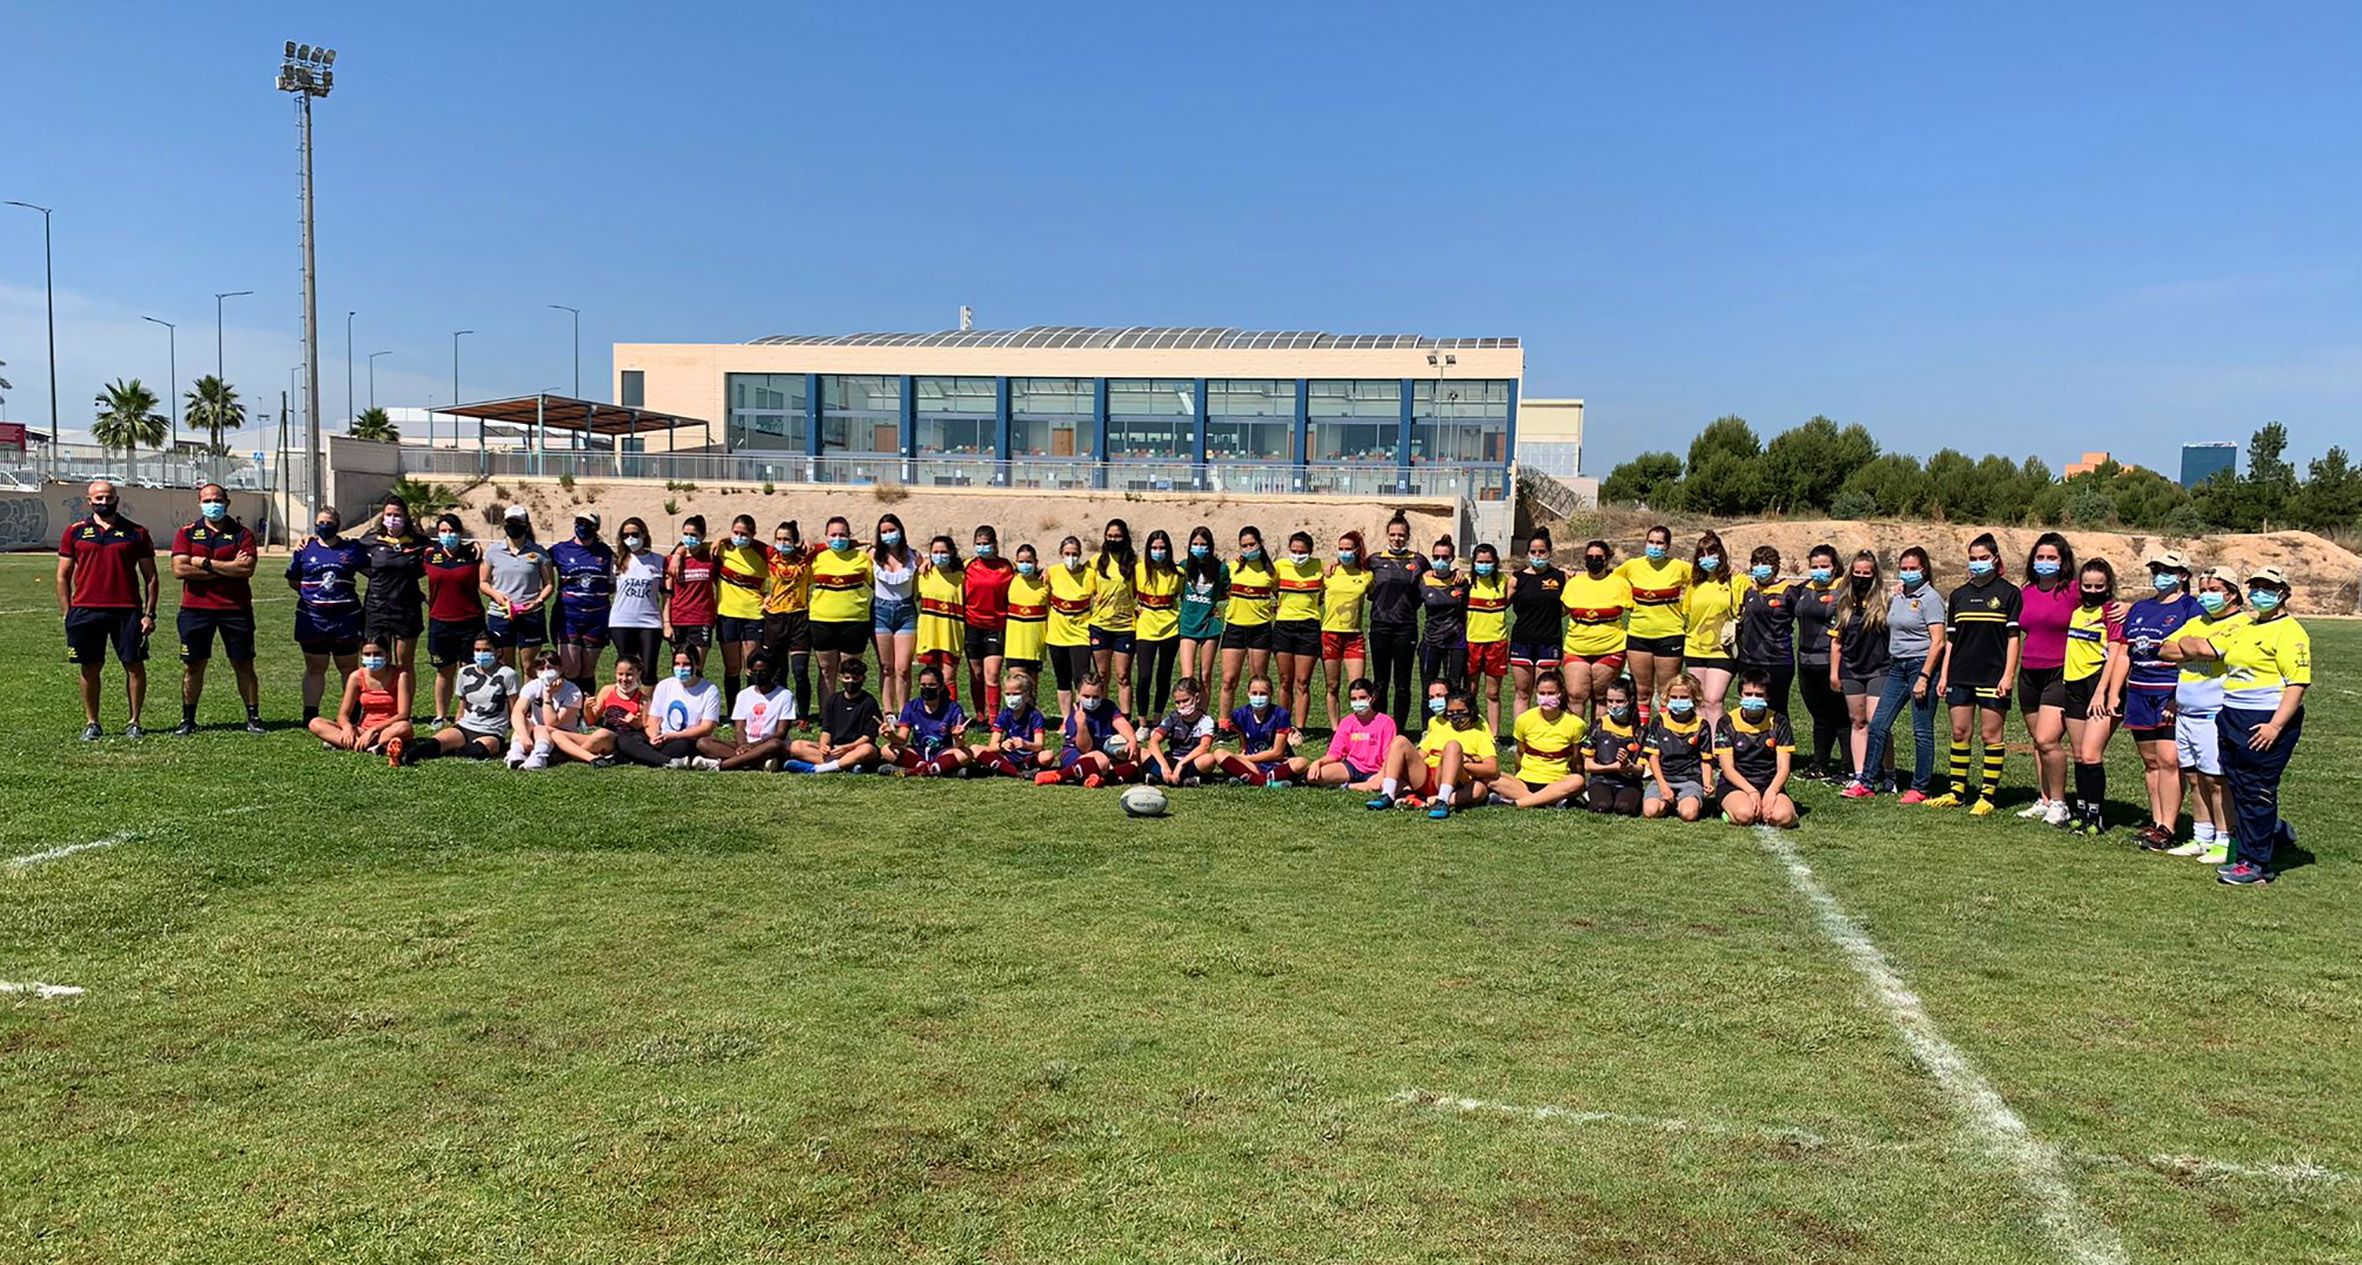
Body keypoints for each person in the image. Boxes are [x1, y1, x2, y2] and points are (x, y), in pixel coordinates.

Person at [2172, 566, 2308, 885]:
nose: (2260, 593)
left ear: (2283, 592)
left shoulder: (2290, 632)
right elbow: (2210, 650)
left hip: (2264, 719)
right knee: (2240, 787)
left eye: (2268, 588)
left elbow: (2297, 685)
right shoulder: (2246, 626)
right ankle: (2263, 840)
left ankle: (2257, 865)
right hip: (2231, 715)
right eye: (2256, 587)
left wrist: (2275, 726)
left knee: (2257, 789)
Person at [1926, 533, 2023, 815]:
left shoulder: (2009, 593)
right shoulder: (1958, 596)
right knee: (1959, 732)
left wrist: (2008, 676)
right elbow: (1952, 640)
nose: (1977, 563)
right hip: (1960, 675)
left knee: (1990, 735)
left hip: (1993, 676)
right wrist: (1944, 675)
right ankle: (1957, 791)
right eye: (1973, 558)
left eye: (1983, 558)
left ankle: (1987, 796)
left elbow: (2013, 638)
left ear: (1995, 559)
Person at [58, 479, 160, 739]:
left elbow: (151, 577)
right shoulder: (75, 531)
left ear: (117, 499)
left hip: (127, 611)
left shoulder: (136, 532)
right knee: (90, 667)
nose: (104, 502)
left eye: (109, 497)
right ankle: (92, 722)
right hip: (85, 611)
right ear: (89, 500)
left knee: (134, 665)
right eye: (99, 498)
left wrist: (149, 613)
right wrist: (67, 612)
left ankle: (134, 722)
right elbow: (63, 575)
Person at [2159, 569, 2246, 864]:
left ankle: (2224, 839)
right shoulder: (2196, 622)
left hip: (2215, 713)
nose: (2207, 594)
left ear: (2232, 593)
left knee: (2216, 779)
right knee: (2194, 777)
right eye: (2203, 588)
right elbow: (2164, 649)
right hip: (2187, 712)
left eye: (2214, 588)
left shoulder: (2241, 623)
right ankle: (2202, 835)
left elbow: (2212, 651)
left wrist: (2189, 647)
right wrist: (2192, 647)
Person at [2112, 551, 2196, 851]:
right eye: (2156, 569)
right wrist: (2113, 692)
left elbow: (2193, 658)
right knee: (2150, 762)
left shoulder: (2192, 608)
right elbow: (2125, 653)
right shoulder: (2140, 608)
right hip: (2139, 692)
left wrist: (2177, 697)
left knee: (2169, 761)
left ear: (2183, 575)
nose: (2160, 575)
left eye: (2167, 570)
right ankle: (2156, 819)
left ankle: (2168, 827)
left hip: (2169, 692)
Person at [1852, 546, 1945, 803]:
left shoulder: (1931, 599)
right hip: (1897, 667)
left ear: (1924, 570)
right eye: (1903, 568)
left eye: (1912, 568)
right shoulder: (1899, 596)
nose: (1907, 573)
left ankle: (1920, 787)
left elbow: (1938, 642)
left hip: (1920, 666)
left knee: (1921, 730)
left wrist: (1925, 676)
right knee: (1879, 724)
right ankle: (1867, 782)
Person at [169, 483, 264, 735]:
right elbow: (179, 570)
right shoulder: (186, 533)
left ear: (227, 502)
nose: (213, 504)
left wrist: (205, 563)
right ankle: (187, 719)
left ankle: (253, 717)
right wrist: (226, 568)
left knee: (243, 664)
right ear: (199, 503)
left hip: (236, 609)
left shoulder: (243, 534)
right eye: (207, 500)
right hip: (195, 609)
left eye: (218, 499)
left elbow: (246, 569)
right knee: (193, 665)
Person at [2014, 532, 2080, 825]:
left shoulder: (2075, 591)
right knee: (2037, 742)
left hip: (2060, 672)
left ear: (2063, 561)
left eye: (2051, 557)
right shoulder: (2025, 592)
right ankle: (2043, 799)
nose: (2044, 562)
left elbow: (2104, 609)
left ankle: (2060, 803)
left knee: (2048, 739)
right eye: (2040, 557)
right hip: (2029, 672)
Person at [2058, 558, 2126, 833]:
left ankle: (2096, 816)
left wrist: (2102, 692)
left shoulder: (2111, 612)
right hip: (2073, 684)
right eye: (2088, 585)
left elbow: (2116, 654)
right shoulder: (2076, 610)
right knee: (2078, 754)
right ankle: (2082, 811)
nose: (2093, 590)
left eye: (2099, 586)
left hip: (2098, 684)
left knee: (2091, 754)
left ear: (2108, 585)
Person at [287, 506, 368, 724]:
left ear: (338, 524)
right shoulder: (305, 548)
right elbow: (293, 579)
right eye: (320, 523)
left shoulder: (352, 549)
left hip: (346, 619)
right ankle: (310, 714)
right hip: (312, 618)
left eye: (329, 522)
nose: (324, 526)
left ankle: (352, 713)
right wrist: (313, 595)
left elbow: (372, 571)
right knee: (315, 667)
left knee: (349, 668)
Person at [1365, 688, 1497, 819]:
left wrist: (1461, 764)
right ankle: (1388, 794)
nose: (1455, 716)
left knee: (1455, 749)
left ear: (1471, 711)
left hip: (1454, 779)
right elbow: (1421, 754)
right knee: (1400, 741)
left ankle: (1441, 801)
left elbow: (1492, 768)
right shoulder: (1440, 728)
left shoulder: (1479, 735)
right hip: (1427, 775)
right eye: (1451, 712)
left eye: (1460, 712)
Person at [1830, 550, 1893, 792]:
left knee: (1878, 722)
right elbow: (1836, 642)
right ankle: (1860, 773)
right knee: (1858, 722)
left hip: (1879, 668)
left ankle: (1888, 773)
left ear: (1875, 574)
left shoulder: (1886, 601)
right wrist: (1834, 673)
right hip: (1851, 670)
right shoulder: (1844, 602)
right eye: (1857, 572)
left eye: (1867, 573)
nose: (1862, 577)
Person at [401, 634, 518, 764]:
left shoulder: (508, 674)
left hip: (491, 731)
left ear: (498, 651)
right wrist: (457, 723)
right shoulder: (465, 672)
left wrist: (516, 733)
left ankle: (463, 748)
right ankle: (404, 755)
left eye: (486, 650)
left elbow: (515, 707)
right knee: (435, 743)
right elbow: (463, 703)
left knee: (475, 752)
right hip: (465, 726)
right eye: (477, 650)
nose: (481, 654)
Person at [1616, 524, 1692, 720]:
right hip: (1638, 635)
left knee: (1667, 692)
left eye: (1660, 543)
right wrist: (1627, 601)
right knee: (1642, 692)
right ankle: (1642, 734)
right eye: (1651, 542)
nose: (1654, 546)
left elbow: (1702, 580)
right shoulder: (1632, 566)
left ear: (1667, 546)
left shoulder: (1679, 567)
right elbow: (1611, 582)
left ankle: (1664, 735)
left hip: (1670, 635)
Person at [421, 512, 486, 729]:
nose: (448, 535)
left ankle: (463, 713)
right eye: (443, 531)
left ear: (460, 533)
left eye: (452, 531)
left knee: (468, 671)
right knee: (444, 671)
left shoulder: (472, 554)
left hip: (470, 622)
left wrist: (476, 543)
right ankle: (440, 715)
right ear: (437, 533)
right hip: (440, 622)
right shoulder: (429, 554)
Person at [1366, 511, 1427, 733]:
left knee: (1402, 684)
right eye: (1393, 534)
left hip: (1406, 627)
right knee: (1380, 681)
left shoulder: (1418, 560)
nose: (1397, 539)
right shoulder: (1374, 559)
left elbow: (1430, 585)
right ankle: (1381, 727)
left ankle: (1398, 730)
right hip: (1380, 625)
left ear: (1408, 536)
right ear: (1387, 535)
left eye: (1401, 535)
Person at [1494, 669, 1589, 808]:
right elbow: (1520, 754)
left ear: (1560, 694)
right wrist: (1516, 778)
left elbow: (1576, 760)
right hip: (1527, 780)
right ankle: (1550, 800)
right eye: (1542, 693)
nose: (1546, 697)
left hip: (1557, 781)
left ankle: (1520, 802)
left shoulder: (1575, 724)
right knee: (1493, 777)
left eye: (1551, 693)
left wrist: (1580, 785)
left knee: (1577, 781)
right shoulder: (1524, 719)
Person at [1715, 670, 1798, 828]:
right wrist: (1751, 792)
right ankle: (1730, 812)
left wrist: (1772, 791)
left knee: (1784, 818)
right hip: (1736, 784)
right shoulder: (1726, 723)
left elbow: (1784, 767)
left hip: (1768, 782)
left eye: (1759, 695)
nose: (1753, 699)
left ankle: (1773, 807)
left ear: (1767, 697)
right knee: (1745, 815)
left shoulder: (1779, 722)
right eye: (1748, 694)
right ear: (1740, 694)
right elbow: (1727, 769)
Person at [1560, 539, 1630, 724]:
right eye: (1589, 557)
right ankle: (1576, 743)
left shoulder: (1619, 583)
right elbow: (1561, 611)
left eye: (1598, 557)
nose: (1594, 560)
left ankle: (1599, 742)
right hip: (1576, 648)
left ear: (1607, 559)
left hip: (1610, 648)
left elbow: (1638, 611)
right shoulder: (1575, 583)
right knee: (1575, 695)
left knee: (1601, 697)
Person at [1791, 545, 1846, 781]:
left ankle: (1848, 767)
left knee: (1841, 716)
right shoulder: (1804, 589)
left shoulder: (1843, 588)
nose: (1819, 571)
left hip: (1831, 661)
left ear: (1835, 567)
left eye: (1824, 566)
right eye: (1814, 567)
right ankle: (1820, 764)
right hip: (1805, 661)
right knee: (1820, 716)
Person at [615, 649, 722, 768]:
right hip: (662, 736)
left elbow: (706, 728)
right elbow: (653, 720)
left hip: (686, 738)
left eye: (686, 664)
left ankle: (641, 757)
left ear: (696, 664)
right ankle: (668, 761)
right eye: (677, 664)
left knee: (681, 747)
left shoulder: (710, 690)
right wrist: (654, 736)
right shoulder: (665, 685)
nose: (680, 668)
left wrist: (674, 736)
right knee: (624, 739)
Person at [479, 505, 555, 670]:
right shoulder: (492, 552)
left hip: (531, 616)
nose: (513, 526)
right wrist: (496, 596)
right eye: (510, 522)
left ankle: (528, 697)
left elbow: (549, 584)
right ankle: (510, 697)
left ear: (526, 525)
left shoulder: (539, 553)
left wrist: (538, 601)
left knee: (530, 667)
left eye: (518, 522)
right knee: (505, 666)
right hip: (501, 615)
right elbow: (483, 582)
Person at [696, 648, 797, 772]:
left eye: (763, 671)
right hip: (745, 744)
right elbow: (739, 728)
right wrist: (743, 744)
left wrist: (754, 745)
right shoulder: (744, 695)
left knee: (775, 744)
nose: (758, 675)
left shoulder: (785, 695)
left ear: (772, 671)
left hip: (768, 745)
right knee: (704, 742)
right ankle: (757, 762)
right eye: (754, 671)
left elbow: (781, 733)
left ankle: (720, 765)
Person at [308, 639, 412, 759]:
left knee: (404, 727)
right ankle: (373, 746)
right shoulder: (356, 676)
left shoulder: (400, 676)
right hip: (363, 729)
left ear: (387, 655)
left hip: (388, 728)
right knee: (315, 723)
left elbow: (403, 714)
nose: (372, 658)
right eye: (367, 654)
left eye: (377, 654)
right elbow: (343, 714)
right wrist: (347, 728)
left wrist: (373, 730)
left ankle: (351, 744)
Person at [1681, 530, 1743, 728]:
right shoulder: (1694, 584)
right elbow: (1687, 613)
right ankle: (1703, 749)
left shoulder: (1736, 580)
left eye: (1711, 554)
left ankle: (1719, 750)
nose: (1707, 559)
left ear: (1721, 555)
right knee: (1698, 702)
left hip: (1723, 649)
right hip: (1694, 648)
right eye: (1702, 555)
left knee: (1713, 700)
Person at [550, 512, 616, 699]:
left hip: (597, 618)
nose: (582, 527)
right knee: (570, 668)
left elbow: (613, 583)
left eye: (588, 524)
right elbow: (537, 562)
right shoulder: (560, 550)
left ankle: (585, 713)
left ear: (596, 528)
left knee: (587, 669)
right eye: (579, 522)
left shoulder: (605, 552)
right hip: (567, 617)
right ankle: (566, 709)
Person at [1037, 670, 1140, 788]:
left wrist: (1132, 740)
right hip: (1076, 754)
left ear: (1102, 694)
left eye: (1095, 697)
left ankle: (1094, 778)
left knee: (1140, 757)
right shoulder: (1075, 714)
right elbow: (1085, 748)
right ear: (1078, 694)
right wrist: (1081, 724)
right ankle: (1059, 775)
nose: (1091, 701)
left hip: (1102, 753)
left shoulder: (1108, 706)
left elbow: (1121, 723)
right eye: (1086, 696)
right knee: (1101, 762)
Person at [543, 654, 648, 768]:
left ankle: (567, 755)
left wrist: (636, 723)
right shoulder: (608, 690)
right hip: (600, 736)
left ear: (638, 674)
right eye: (620, 674)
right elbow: (591, 721)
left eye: (629, 675)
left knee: (601, 734)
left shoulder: (643, 699)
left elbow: (646, 729)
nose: (623, 679)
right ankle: (588, 756)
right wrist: (587, 708)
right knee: (556, 733)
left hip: (618, 740)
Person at [1505, 529, 1566, 722]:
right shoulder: (1517, 578)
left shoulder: (1560, 577)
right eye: (1533, 552)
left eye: (1542, 552)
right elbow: (1500, 604)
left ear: (1549, 552)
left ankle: (1544, 737)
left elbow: (1568, 606)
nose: (1537, 556)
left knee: (1547, 693)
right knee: (1523, 693)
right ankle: (1521, 738)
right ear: (1528, 553)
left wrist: (1551, 616)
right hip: (1522, 641)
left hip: (1549, 641)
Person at [1736, 545, 1802, 721]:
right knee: (1750, 708)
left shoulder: (1788, 591)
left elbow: (1804, 617)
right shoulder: (1749, 589)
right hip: (1748, 659)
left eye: (1765, 562)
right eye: (1756, 562)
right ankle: (1753, 745)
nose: (1760, 566)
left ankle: (1782, 746)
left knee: (1777, 708)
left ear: (1775, 566)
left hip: (1778, 660)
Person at [785, 656, 883, 774]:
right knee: (796, 746)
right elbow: (826, 730)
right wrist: (823, 745)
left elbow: (868, 736)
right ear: (841, 678)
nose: (850, 681)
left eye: (855, 678)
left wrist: (848, 747)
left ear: (863, 679)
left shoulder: (869, 702)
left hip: (856, 748)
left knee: (868, 750)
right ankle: (847, 765)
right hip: (834, 749)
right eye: (847, 678)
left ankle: (819, 768)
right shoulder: (833, 700)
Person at [711, 513, 770, 707]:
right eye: (735, 532)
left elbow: (783, 575)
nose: (739, 537)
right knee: (732, 667)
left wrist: (770, 595)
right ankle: (733, 710)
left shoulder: (763, 555)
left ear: (753, 534)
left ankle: (751, 708)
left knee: (751, 667)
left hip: (753, 615)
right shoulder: (723, 549)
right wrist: (721, 538)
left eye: (744, 533)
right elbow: (690, 546)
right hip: (727, 615)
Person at [1217, 525, 1275, 721]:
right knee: (1228, 680)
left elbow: (1282, 594)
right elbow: (1217, 591)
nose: (1249, 549)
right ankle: (1224, 725)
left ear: (1260, 543)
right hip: (1235, 628)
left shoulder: (1271, 571)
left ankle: (1256, 723)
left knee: (1258, 682)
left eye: (1252, 544)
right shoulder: (1232, 568)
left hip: (1261, 629)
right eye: (1244, 545)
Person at [807, 515, 873, 683]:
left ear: (850, 537)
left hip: (855, 621)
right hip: (822, 621)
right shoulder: (816, 558)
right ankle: (827, 710)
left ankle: (850, 709)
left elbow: (877, 586)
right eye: (833, 535)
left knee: (851, 672)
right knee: (826, 671)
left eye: (842, 535)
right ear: (826, 537)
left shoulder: (862, 558)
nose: (838, 539)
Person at [1270, 530, 1325, 728]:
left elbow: (1324, 592)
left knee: (1302, 682)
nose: (1298, 555)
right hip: (1284, 626)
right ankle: (1283, 726)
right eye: (1294, 550)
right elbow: (1271, 587)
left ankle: (1299, 728)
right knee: (1285, 680)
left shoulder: (1320, 567)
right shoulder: (1280, 566)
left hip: (1309, 626)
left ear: (1310, 551)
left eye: (1302, 552)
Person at [962, 523, 1016, 719]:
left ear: (995, 544)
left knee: (992, 674)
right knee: (976, 673)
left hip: (996, 627)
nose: (982, 547)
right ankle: (980, 716)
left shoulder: (1007, 567)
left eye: (986, 543)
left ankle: (994, 719)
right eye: (978, 543)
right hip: (972, 625)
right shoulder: (967, 565)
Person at [761, 520, 814, 722]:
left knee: (800, 671)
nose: (782, 543)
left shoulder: (806, 557)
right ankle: (781, 714)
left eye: (787, 539)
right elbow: (741, 539)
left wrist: (863, 541)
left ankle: (803, 716)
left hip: (799, 618)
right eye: (779, 539)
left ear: (796, 541)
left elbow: (832, 542)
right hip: (774, 619)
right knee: (778, 671)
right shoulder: (769, 555)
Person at [1320, 530, 1373, 728]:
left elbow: (1377, 594)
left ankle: (1359, 726)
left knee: (1358, 687)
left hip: (1354, 636)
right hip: (1330, 634)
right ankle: (1336, 729)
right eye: (1341, 549)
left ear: (1357, 550)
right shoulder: (1328, 573)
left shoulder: (1367, 576)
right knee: (1332, 686)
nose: (1344, 553)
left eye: (1348, 549)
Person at [1642, 673, 1713, 822]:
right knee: (1650, 811)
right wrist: (1663, 786)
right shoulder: (1659, 722)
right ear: (1667, 697)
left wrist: (1707, 783)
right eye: (1674, 697)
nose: (1678, 701)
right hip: (1664, 778)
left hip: (1690, 779)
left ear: (1694, 698)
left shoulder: (1701, 725)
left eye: (1684, 698)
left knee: (1688, 814)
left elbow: (1705, 759)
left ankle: (1684, 802)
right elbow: (1653, 757)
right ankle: (1668, 802)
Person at [1212, 674, 1304, 787]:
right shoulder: (1239, 714)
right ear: (1248, 693)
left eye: (1263, 693)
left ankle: (1253, 779)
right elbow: (1243, 745)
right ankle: (1267, 782)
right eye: (1254, 693)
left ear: (1271, 694)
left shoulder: (1281, 714)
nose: (1258, 697)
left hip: (1278, 763)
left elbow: (1277, 753)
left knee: (1301, 763)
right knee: (1219, 753)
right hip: (1253, 764)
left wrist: (1246, 758)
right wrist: (1242, 758)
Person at [882, 661, 971, 777]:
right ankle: (940, 769)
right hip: (918, 752)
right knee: (886, 750)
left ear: (941, 687)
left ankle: (912, 771)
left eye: (931, 685)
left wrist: (958, 738)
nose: (926, 688)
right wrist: (890, 736)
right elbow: (902, 739)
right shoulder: (911, 707)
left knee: (966, 754)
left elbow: (958, 745)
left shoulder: (953, 708)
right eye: (923, 685)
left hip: (943, 752)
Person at [1307, 677, 1396, 791]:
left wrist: (1380, 775)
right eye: (1354, 699)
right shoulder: (1347, 722)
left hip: (1377, 769)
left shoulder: (1386, 722)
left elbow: (1388, 757)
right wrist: (1318, 762)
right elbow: (1335, 753)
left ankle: (1349, 786)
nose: (1358, 702)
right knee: (1314, 776)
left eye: (1362, 698)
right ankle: (1362, 786)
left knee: (1390, 784)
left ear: (1372, 698)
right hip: (1352, 767)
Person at [1088, 517, 1140, 713]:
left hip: (1125, 627)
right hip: (1100, 626)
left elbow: (1139, 590)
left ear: (1125, 537)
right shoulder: (1095, 562)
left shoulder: (1135, 563)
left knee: (1123, 675)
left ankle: (1125, 717)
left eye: (1117, 536)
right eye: (1109, 536)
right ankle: (1103, 715)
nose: (1113, 539)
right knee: (1102, 674)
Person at [1043, 534, 1097, 717]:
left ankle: (1082, 716)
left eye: (1074, 554)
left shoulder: (1090, 574)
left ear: (1080, 554)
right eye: (1067, 553)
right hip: (1057, 633)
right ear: (1061, 553)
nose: (1071, 558)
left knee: (1081, 678)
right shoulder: (1052, 572)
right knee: (1062, 678)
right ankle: (1066, 719)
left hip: (1080, 632)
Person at [608, 518, 668, 682]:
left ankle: (648, 706)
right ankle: (628, 706)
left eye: (635, 534)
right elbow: (608, 588)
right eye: (625, 535)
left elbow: (666, 593)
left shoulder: (658, 560)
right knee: (627, 670)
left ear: (644, 534)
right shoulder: (616, 561)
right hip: (621, 622)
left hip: (650, 622)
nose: (630, 539)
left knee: (648, 671)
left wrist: (667, 622)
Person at [1132, 528, 1183, 719]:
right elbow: (1128, 594)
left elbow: (1186, 595)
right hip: (1145, 629)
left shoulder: (1177, 573)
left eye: (1162, 547)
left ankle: (1157, 717)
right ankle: (1142, 721)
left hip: (1170, 629)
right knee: (1144, 676)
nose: (1158, 551)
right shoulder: (1138, 570)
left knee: (1164, 676)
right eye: (1154, 547)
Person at [871, 512, 919, 715]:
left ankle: (904, 711)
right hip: (880, 611)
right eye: (884, 532)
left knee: (903, 668)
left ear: (900, 530)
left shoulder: (914, 555)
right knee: (886, 667)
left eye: (892, 530)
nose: (889, 535)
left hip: (906, 612)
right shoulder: (872, 554)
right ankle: (888, 711)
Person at [506, 648, 585, 769]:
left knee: (541, 729)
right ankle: (516, 754)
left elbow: (551, 723)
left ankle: (539, 757)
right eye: (541, 669)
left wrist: (548, 695)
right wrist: (524, 736)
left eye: (550, 668)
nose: (546, 672)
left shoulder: (573, 692)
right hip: (537, 734)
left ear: (560, 669)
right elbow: (518, 712)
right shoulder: (533, 686)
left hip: (562, 736)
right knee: (524, 723)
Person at [1463, 542, 1510, 736]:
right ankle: (1470, 729)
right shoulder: (1465, 581)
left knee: (1493, 693)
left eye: (1488, 562)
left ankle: (1494, 734)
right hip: (1472, 641)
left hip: (1496, 642)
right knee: (1470, 691)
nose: (1484, 565)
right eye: (1480, 561)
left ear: (1496, 562)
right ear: (1473, 563)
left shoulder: (1504, 581)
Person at [1418, 535, 1470, 706]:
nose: (1440, 561)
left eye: (1444, 557)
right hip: (1431, 641)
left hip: (1456, 643)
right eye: (1436, 557)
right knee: (1428, 688)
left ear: (1452, 558)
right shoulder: (1423, 581)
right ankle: (1427, 729)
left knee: (1454, 687)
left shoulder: (1461, 582)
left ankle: (1453, 726)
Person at [1176, 526, 1227, 698]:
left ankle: (1202, 717)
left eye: (1203, 544)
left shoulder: (1221, 569)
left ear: (1210, 546)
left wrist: (1213, 604)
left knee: (1205, 676)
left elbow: (1226, 592)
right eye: (1195, 544)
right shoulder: (1183, 567)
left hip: (1210, 626)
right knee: (1187, 676)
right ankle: (1187, 715)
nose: (1199, 547)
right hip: (1188, 625)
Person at [664, 515, 720, 670]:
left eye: (694, 535)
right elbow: (667, 595)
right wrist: (666, 624)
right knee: (680, 669)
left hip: (701, 619)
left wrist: (721, 538)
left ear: (702, 536)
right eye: (686, 534)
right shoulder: (671, 561)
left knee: (696, 669)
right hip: (678, 619)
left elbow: (729, 541)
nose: (689, 538)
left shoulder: (710, 557)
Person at [1583, 679, 1646, 816]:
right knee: (1601, 807)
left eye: (1619, 701)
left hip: (1629, 783)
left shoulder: (1640, 732)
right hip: (1601, 780)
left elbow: (1641, 771)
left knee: (1625, 809)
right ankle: (1591, 795)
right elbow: (1588, 765)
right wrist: (1613, 767)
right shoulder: (1599, 726)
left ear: (1630, 701)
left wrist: (1628, 765)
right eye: (1610, 701)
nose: (1614, 706)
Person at [977, 668, 1054, 779]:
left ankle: (1006, 767)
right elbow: (992, 745)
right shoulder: (1004, 714)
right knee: (975, 749)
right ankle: (1017, 772)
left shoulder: (1035, 715)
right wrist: (1002, 746)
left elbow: (1039, 745)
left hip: (1029, 755)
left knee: (1047, 756)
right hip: (1009, 756)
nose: (1011, 698)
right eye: (1008, 694)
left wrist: (1025, 744)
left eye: (1016, 694)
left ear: (1026, 695)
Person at [1142, 674, 1218, 787]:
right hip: (1172, 759)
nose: (1181, 706)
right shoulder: (1173, 718)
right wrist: (1164, 766)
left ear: (1197, 698)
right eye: (1178, 702)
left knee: (1209, 759)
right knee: (1141, 752)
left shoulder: (1206, 720)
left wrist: (1181, 764)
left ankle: (1160, 776)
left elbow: (1204, 747)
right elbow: (1153, 742)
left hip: (1191, 761)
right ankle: (1182, 778)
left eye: (1185, 700)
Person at [916, 535, 967, 688]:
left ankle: (950, 711)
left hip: (951, 636)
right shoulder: (924, 574)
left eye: (943, 552)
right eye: (935, 552)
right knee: (930, 679)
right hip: (929, 635)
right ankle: (931, 711)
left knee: (949, 678)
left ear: (951, 552)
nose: (939, 556)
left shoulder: (962, 577)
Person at [1003, 543, 1050, 685]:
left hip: (1035, 644)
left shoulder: (1046, 582)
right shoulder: (1011, 578)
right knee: (1016, 685)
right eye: (1021, 561)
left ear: (1036, 562)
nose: (1025, 565)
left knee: (1031, 688)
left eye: (1029, 561)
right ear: (1015, 562)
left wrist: (1048, 572)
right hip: (1014, 645)